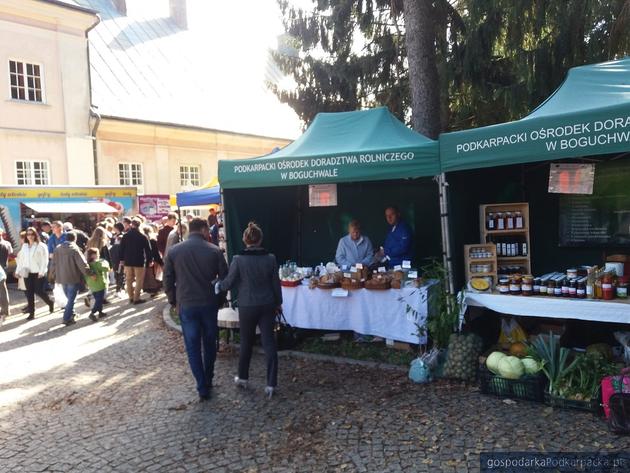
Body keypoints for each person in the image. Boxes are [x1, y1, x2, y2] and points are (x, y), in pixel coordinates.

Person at [163, 218, 228, 401]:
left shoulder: (175, 251)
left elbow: (167, 279)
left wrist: (173, 300)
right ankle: (208, 379)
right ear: (204, 229)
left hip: (186, 304)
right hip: (208, 303)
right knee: (209, 344)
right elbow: (224, 279)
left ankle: (201, 386)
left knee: (192, 346)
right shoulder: (214, 250)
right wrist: (220, 300)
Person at [218, 222, 282, 399]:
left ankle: (243, 378)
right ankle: (271, 384)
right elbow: (275, 284)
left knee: (246, 342)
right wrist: (279, 302)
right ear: (260, 239)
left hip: (247, 305)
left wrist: (218, 286)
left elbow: (229, 282)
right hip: (268, 303)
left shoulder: (238, 259)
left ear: (245, 240)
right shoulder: (270, 258)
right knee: (269, 342)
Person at [15, 227, 54, 320]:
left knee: (39, 291)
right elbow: (21, 260)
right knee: (29, 293)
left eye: (32, 234)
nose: (30, 236)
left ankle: (50, 302)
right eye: (28, 234)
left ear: (35, 235)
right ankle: (32, 313)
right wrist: (17, 271)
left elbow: (45, 260)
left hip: (38, 273)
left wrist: (42, 271)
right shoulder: (24, 246)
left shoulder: (41, 246)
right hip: (27, 272)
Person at [52, 232, 89, 326]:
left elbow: (53, 264)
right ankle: (66, 318)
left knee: (69, 298)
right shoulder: (74, 249)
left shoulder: (58, 248)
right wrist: (89, 273)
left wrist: (53, 275)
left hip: (61, 277)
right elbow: (82, 264)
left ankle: (71, 314)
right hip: (73, 277)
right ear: (75, 239)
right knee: (71, 299)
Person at [119, 218, 152, 304]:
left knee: (129, 280)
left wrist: (121, 260)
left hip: (128, 261)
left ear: (131, 225)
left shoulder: (125, 236)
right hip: (139, 261)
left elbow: (121, 249)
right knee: (139, 280)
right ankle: (136, 298)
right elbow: (148, 250)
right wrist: (149, 260)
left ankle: (130, 297)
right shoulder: (143, 236)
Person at [85, 248, 110, 321]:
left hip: (92, 285)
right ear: (93, 255)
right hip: (99, 284)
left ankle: (100, 312)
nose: (98, 255)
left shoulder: (87, 265)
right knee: (99, 300)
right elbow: (106, 269)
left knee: (97, 299)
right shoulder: (97, 263)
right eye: (97, 254)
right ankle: (92, 313)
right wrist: (106, 262)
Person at [142, 225, 163, 297]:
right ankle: (155, 291)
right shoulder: (152, 240)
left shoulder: (143, 240)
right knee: (154, 276)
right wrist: (160, 261)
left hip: (146, 261)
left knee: (149, 277)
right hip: (153, 260)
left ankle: (151, 291)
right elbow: (155, 252)